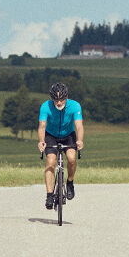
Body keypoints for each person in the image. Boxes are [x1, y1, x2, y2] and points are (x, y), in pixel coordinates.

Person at [38, 82, 84, 210]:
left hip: (68, 135)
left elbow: (79, 125)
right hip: (51, 135)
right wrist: (41, 141)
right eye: (55, 100)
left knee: (71, 158)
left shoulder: (75, 106)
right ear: (51, 98)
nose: (59, 103)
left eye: (62, 99)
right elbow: (42, 126)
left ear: (67, 97)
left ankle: (69, 182)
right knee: (51, 162)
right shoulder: (45, 106)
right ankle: (49, 195)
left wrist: (80, 140)